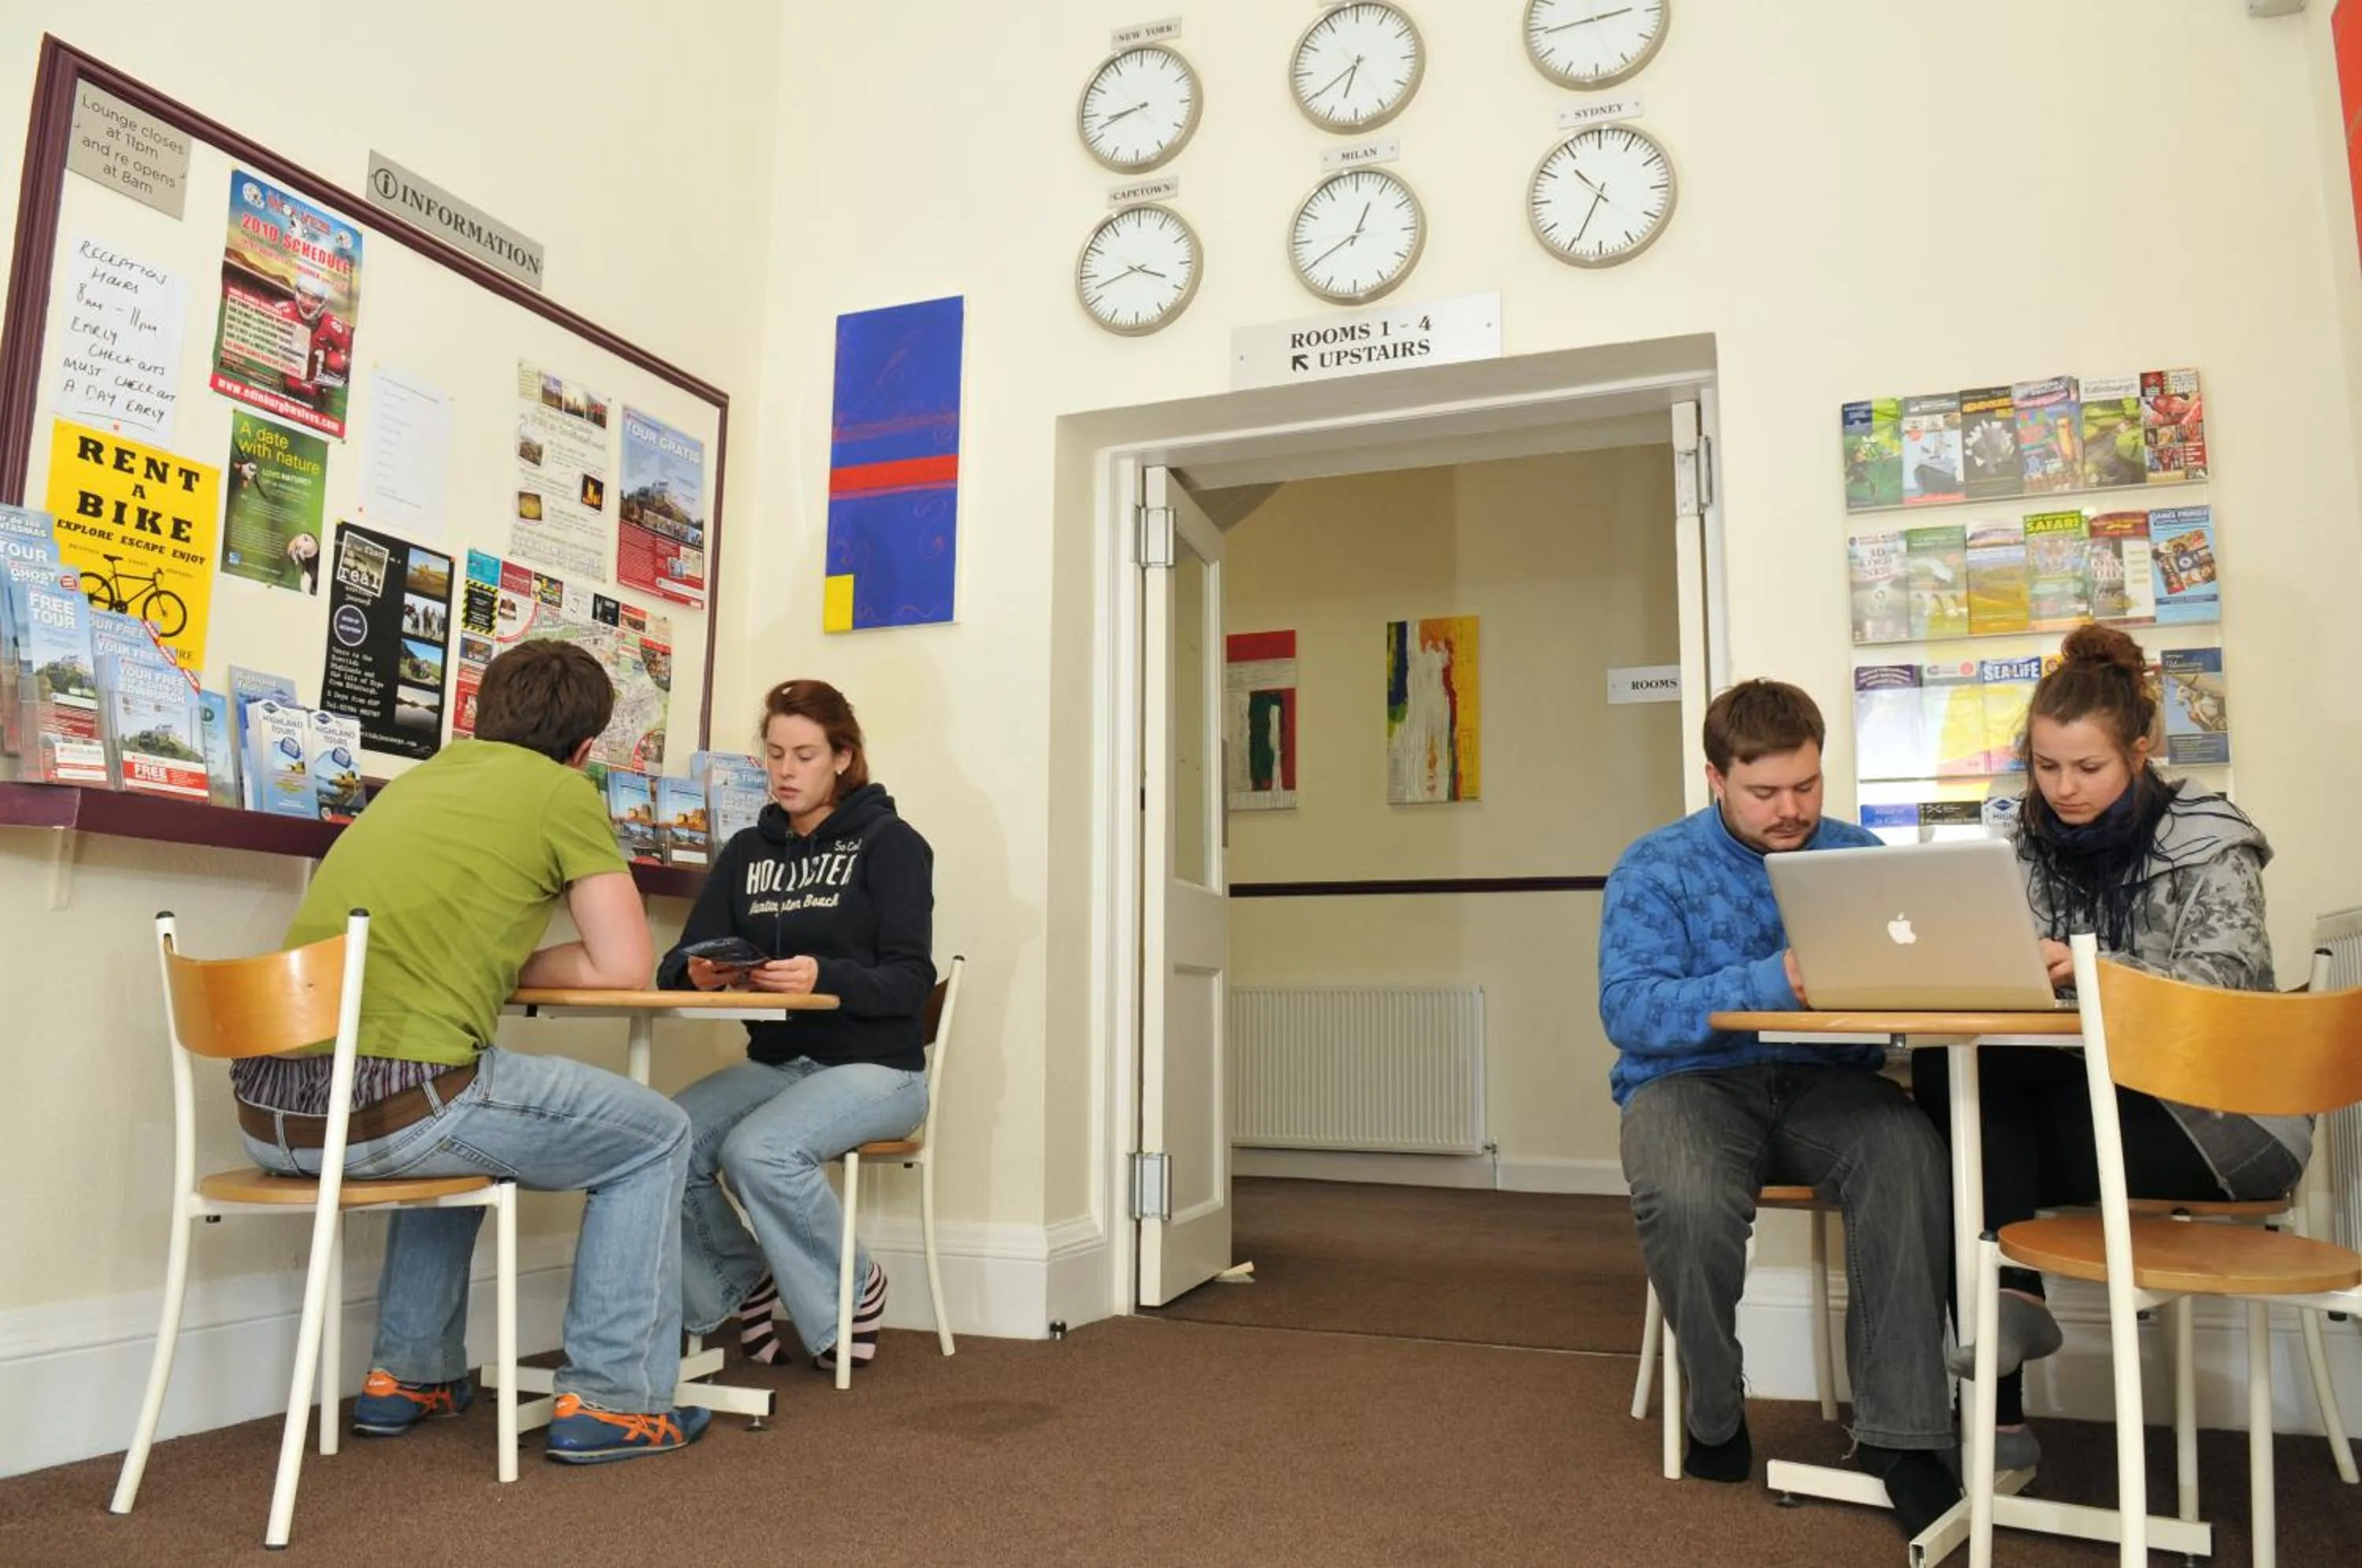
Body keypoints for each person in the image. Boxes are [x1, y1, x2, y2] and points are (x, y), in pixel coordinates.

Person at [232, 640, 709, 1463]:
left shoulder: (415, 782)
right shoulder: (562, 794)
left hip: (270, 1113)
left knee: (465, 1122)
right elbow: (624, 963)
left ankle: (410, 1372)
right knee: (655, 1133)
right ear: (585, 750)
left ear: (478, 717)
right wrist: (506, 964)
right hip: (387, 1107)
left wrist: (478, 965)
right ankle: (615, 1397)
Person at [1913, 624, 2297, 1471]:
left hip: (2220, 1117)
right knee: (1959, 1083)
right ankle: (2010, 1316)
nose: (2064, 789)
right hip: (2095, 1101)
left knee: (1964, 1150)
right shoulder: (2021, 848)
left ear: (2141, 749)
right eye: (2047, 769)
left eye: (2088, 769)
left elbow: (2220, 996)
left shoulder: (2213, 842)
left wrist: (2084, 971)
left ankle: (1997, 1422)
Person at [1600, 679, 1960, 1539]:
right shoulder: (1655, 865)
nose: (1791, 809)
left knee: (1907, 1154)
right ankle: (1715, 1406)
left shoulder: (1860, 856)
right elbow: (1631, 1010)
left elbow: (1895, 1014)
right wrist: (1778, 980)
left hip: (1825, 1086)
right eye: (1766, 792)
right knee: (1686, 1195)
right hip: (1691, 1085)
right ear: (1715, 778)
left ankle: (1903, 1437)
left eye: (1808, 786)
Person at [664, 679, 935, 1374]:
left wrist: (828, 976)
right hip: (781, 1064)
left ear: (843, 757)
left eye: (805, 755)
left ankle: (854, 1285)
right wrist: (694, 973)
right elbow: (682, 956)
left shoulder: (892, 844)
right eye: (776, 754)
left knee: (759, 1152)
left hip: (879, 1068)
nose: (786, 771)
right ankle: (743, 1278)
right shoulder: (748, 852)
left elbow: (908, 981)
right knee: (664, 1136)